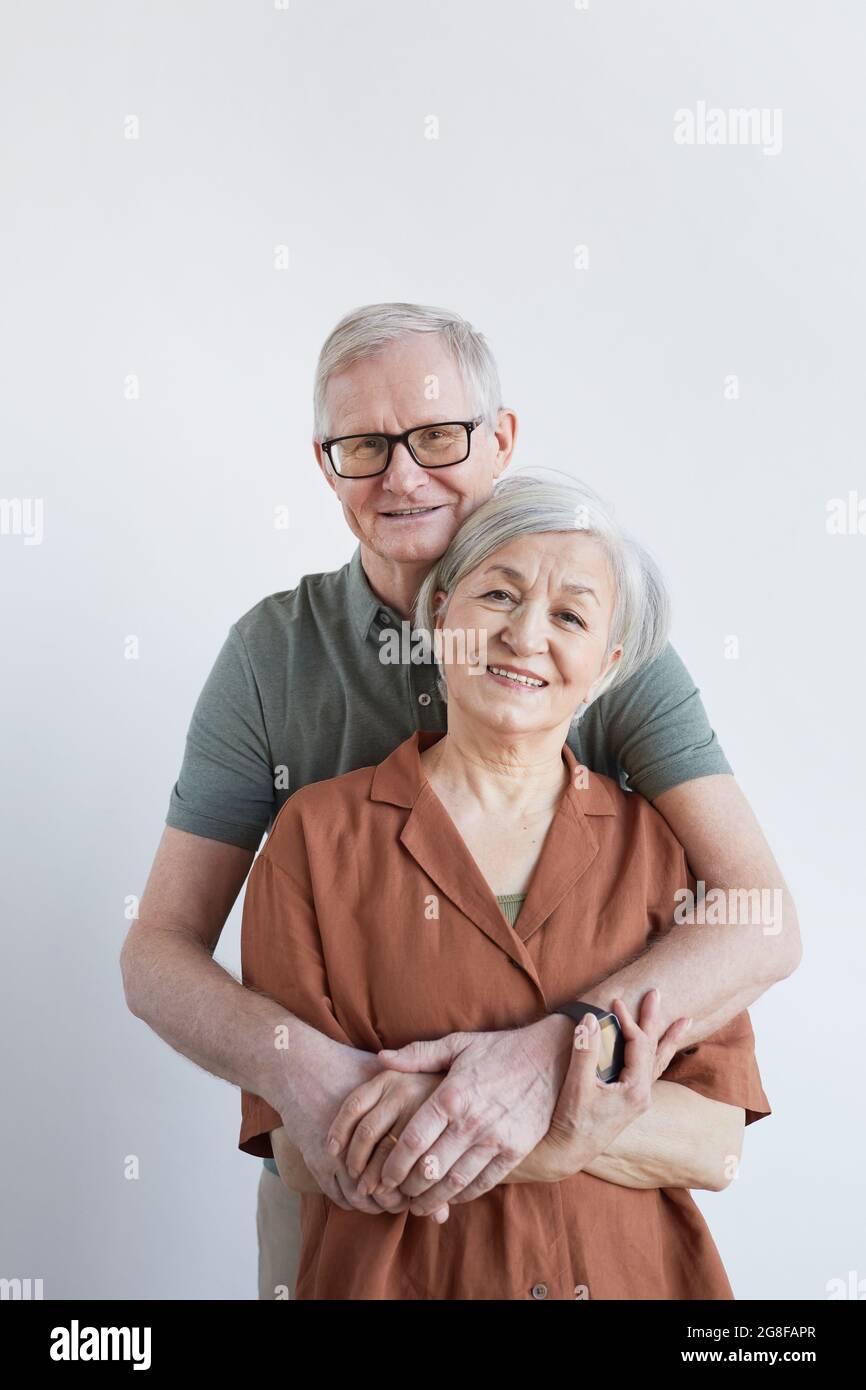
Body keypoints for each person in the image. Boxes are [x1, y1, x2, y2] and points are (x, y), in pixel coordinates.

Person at [119, 303, 799, 1299]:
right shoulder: (273, 662)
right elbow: (156, 950)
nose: (401, 474)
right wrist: (303, 1072)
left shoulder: (605, 646)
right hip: (353, 1205)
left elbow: (760, 920)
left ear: (501, 439)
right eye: (363, 444)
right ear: (325, 463)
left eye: (436, 435)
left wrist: (546, 1066)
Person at [239, 475, 771, 1299]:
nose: (526, 636)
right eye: (499, 594)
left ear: (608, 666)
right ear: (440, 615)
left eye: (569, 616)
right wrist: (589, 1119)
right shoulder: (316, 837)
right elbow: (301, 1153)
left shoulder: (659, 851)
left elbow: (714, 1145)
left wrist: (524, 1125)